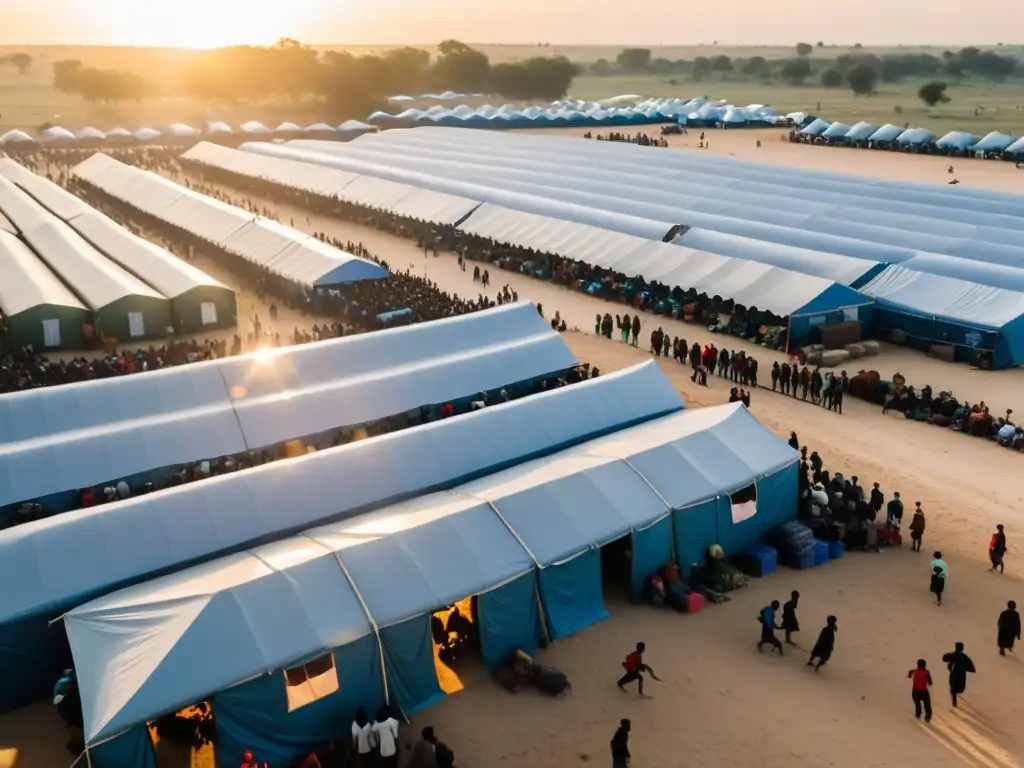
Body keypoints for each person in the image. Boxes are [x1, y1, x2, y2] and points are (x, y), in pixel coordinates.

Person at [941, 642, 976, 707]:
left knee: (955, 689)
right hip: (960, 676)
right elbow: (971, 667)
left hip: (955, 675)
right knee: (957, 689)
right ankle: (954, 703)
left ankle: (954, 702)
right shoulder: (964, 657)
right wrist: (968, 669)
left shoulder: (954, 655)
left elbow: (944, 658)